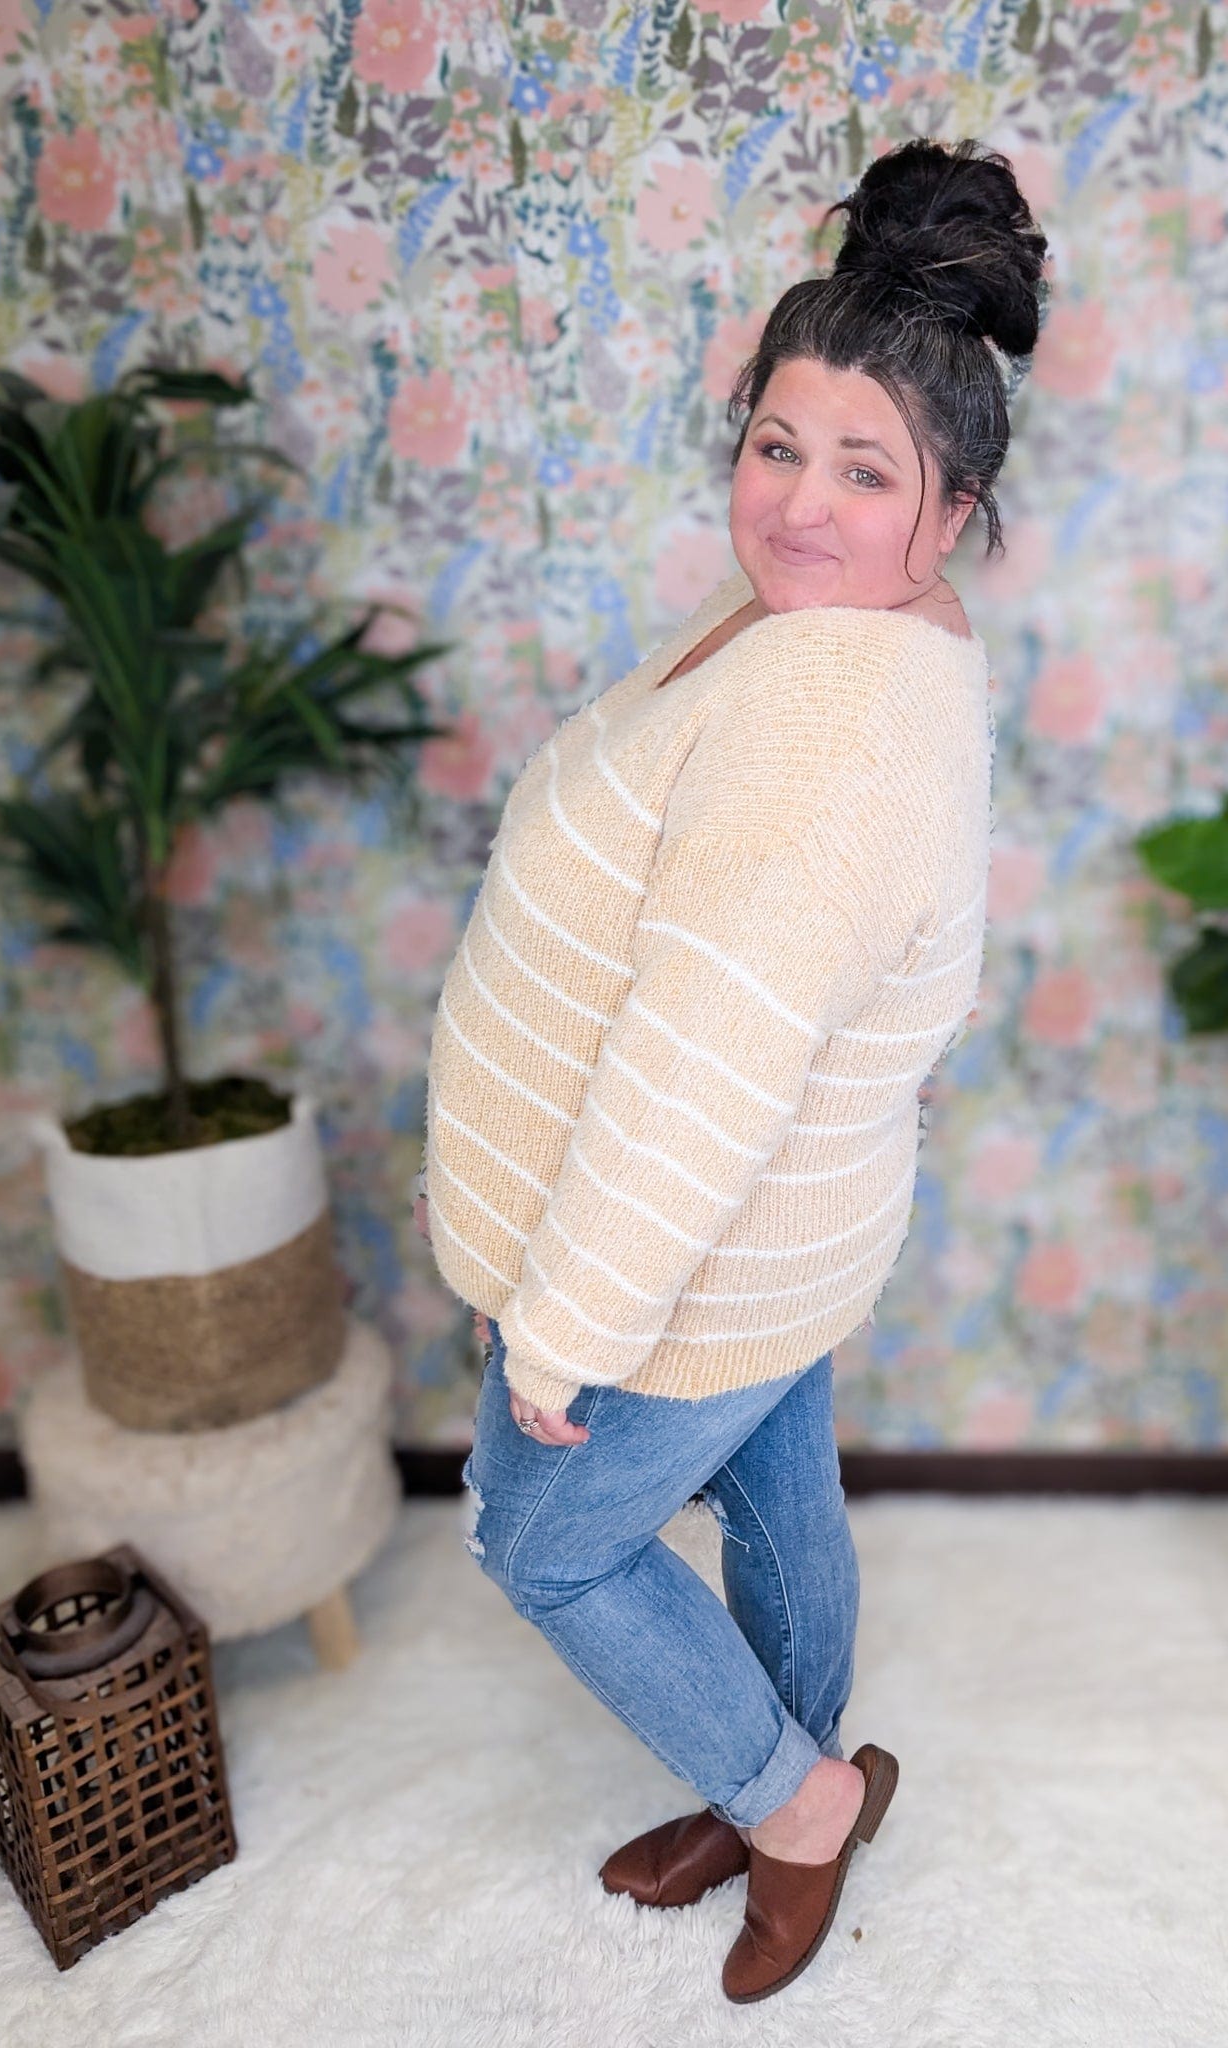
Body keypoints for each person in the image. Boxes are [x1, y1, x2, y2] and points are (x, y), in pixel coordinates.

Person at [421, 135, 1047, 2004]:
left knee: (541, 1538)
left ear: (954, 514)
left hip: (689, 1247)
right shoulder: (863, 634)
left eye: (867, 471)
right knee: (783, 1497)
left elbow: (704, 1067)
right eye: (780, 444)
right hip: (781, 1231)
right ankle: (773, 1764)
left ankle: (794, 1801)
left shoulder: (828, 720)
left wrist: (564, 1329)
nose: (801, 503)